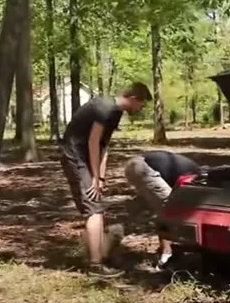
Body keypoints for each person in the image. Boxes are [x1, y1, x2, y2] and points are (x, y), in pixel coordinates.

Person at [60, 82, 152, 278]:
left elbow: (103, 146)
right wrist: (93, 176)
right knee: (93, 209)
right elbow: (93, 142)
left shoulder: (115, 112)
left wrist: (100, 177)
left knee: (97, 205)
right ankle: (95, 266)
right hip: (75, 155)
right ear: (134, 99)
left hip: (87, 157)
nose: (140, 109)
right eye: (141, 104)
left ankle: (96, 253)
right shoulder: (104, 107)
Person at [124, 150, 203, 271]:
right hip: (144, 168)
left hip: (136, 165)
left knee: (160, 208)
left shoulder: (193, 171)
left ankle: (110, 235)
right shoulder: (196, 180)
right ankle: (167, 255)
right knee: (170, 210)